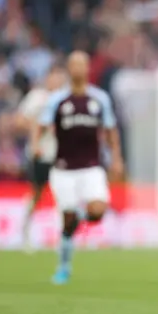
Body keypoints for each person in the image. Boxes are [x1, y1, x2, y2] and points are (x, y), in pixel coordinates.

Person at [34, 51, 124, 284]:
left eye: (81, 64)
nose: (77, 68)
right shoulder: (57, 99)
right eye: (73, 64)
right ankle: (63, 266)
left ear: (87, 69)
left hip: (91, 167)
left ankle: (77, 216)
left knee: (97, 211)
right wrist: (35, 144)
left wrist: (116, 158)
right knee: (67, 221)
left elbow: (110, 130)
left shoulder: (99, 99)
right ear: (68, 69)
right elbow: (41, 124)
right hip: (63, 169)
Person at [16, 65, 66, 251]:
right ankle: (25, 231)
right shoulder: (37, 97)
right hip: (39, 153)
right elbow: (19, 121)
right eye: (54, 76)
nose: (57, 80)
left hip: (59, 154)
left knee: (62, 195)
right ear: (48, 78)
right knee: (36, 193)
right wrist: (39, 127)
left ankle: (62, 239)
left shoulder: (64, 99)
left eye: (60, 77)